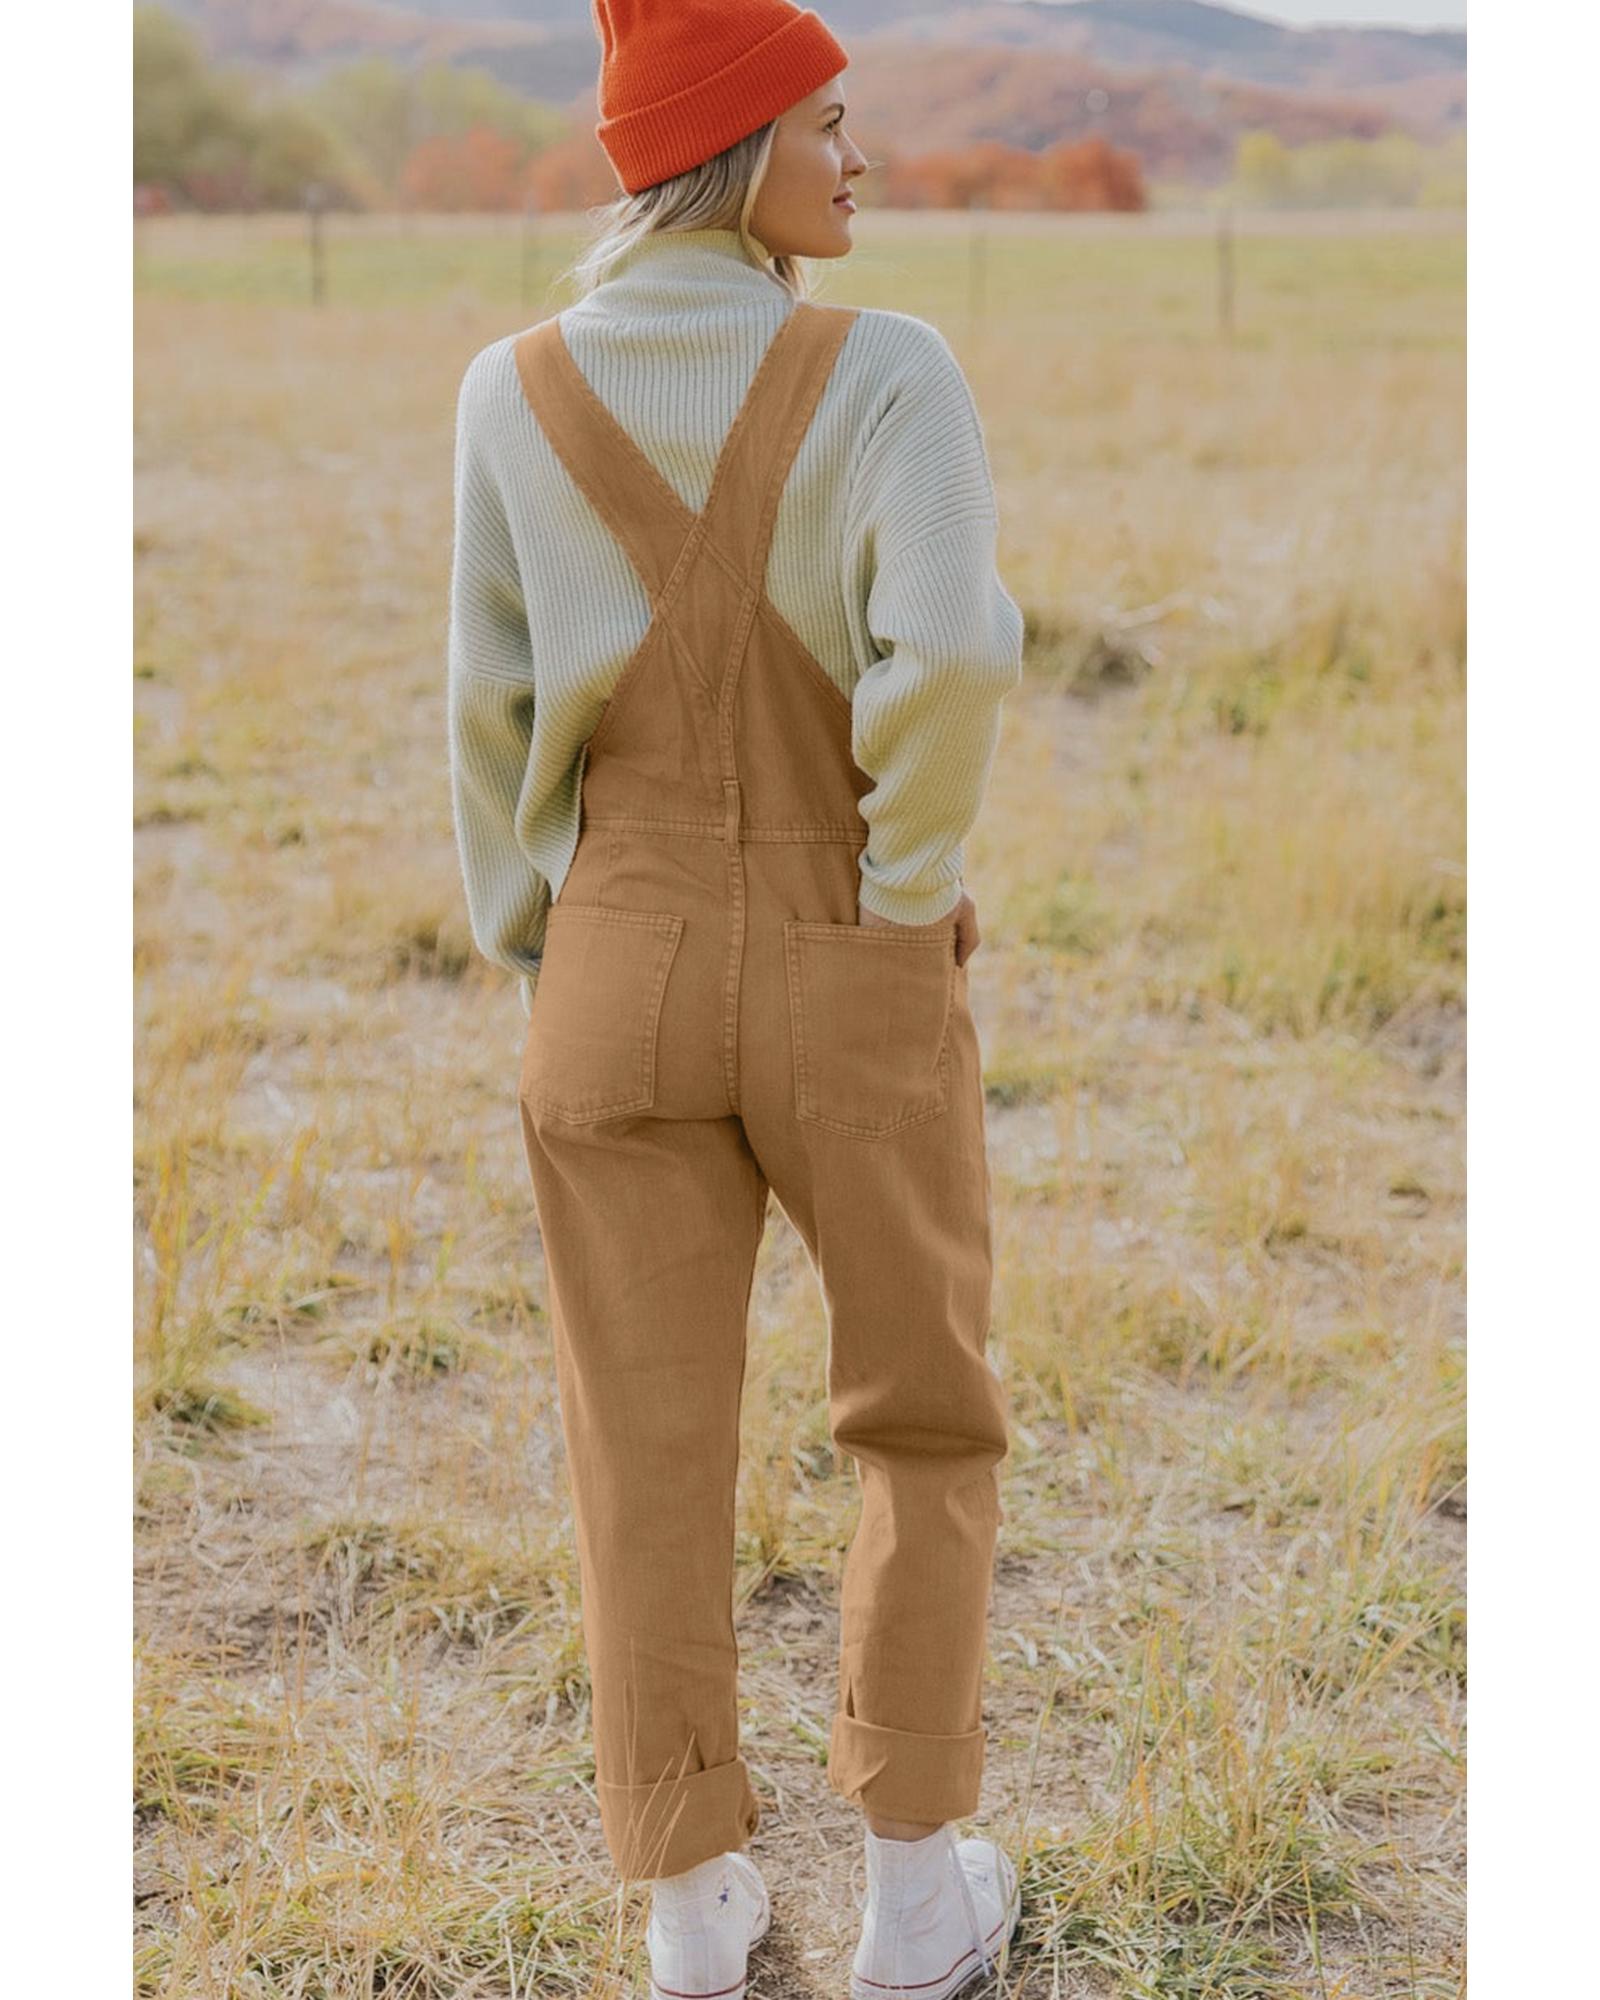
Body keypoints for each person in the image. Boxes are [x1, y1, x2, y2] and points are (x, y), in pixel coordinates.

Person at [446, 5, 1026, 1996]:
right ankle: (913, 1897)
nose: (860, 160)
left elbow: (488, 710)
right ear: (736, 146)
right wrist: (906, 894)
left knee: (643, 1443)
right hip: (847, 933)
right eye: (827, 124)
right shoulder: (890, 370)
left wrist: (552, 950)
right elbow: (950, 654)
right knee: (920, 1416)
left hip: (612, 955)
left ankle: (692, 1909)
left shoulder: (509, 388)